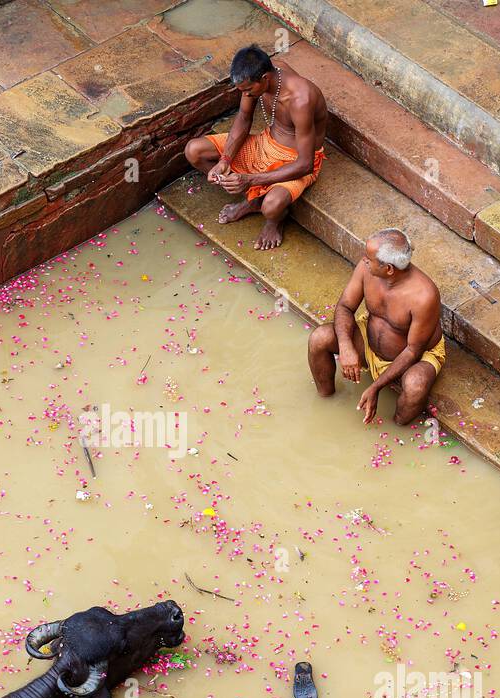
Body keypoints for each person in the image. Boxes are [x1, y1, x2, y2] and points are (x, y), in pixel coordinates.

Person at [182, 44, 327, 250]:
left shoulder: (300, 99)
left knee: (272, 207)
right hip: (264, 143)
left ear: (265, 79)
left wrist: (248, 180)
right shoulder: (261, 73)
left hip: (295, 160)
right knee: (194, 151)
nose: (246, 95)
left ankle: (273, 219)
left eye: (248, 90)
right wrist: (225, 161)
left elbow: (306, 164)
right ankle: (252, 199)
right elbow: (244, 117)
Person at [306, 229, 444, 425]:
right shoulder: (366, 269)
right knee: (319, 338)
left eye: (369, 258)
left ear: (389, 269)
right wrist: (346, 347)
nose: (364, 260)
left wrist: (375, 387)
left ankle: (396, 426)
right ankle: (325, 401)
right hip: (368, 341)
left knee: (416, 386)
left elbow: (413, 351)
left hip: (413, 357)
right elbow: (345, 306)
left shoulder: (424, 296)